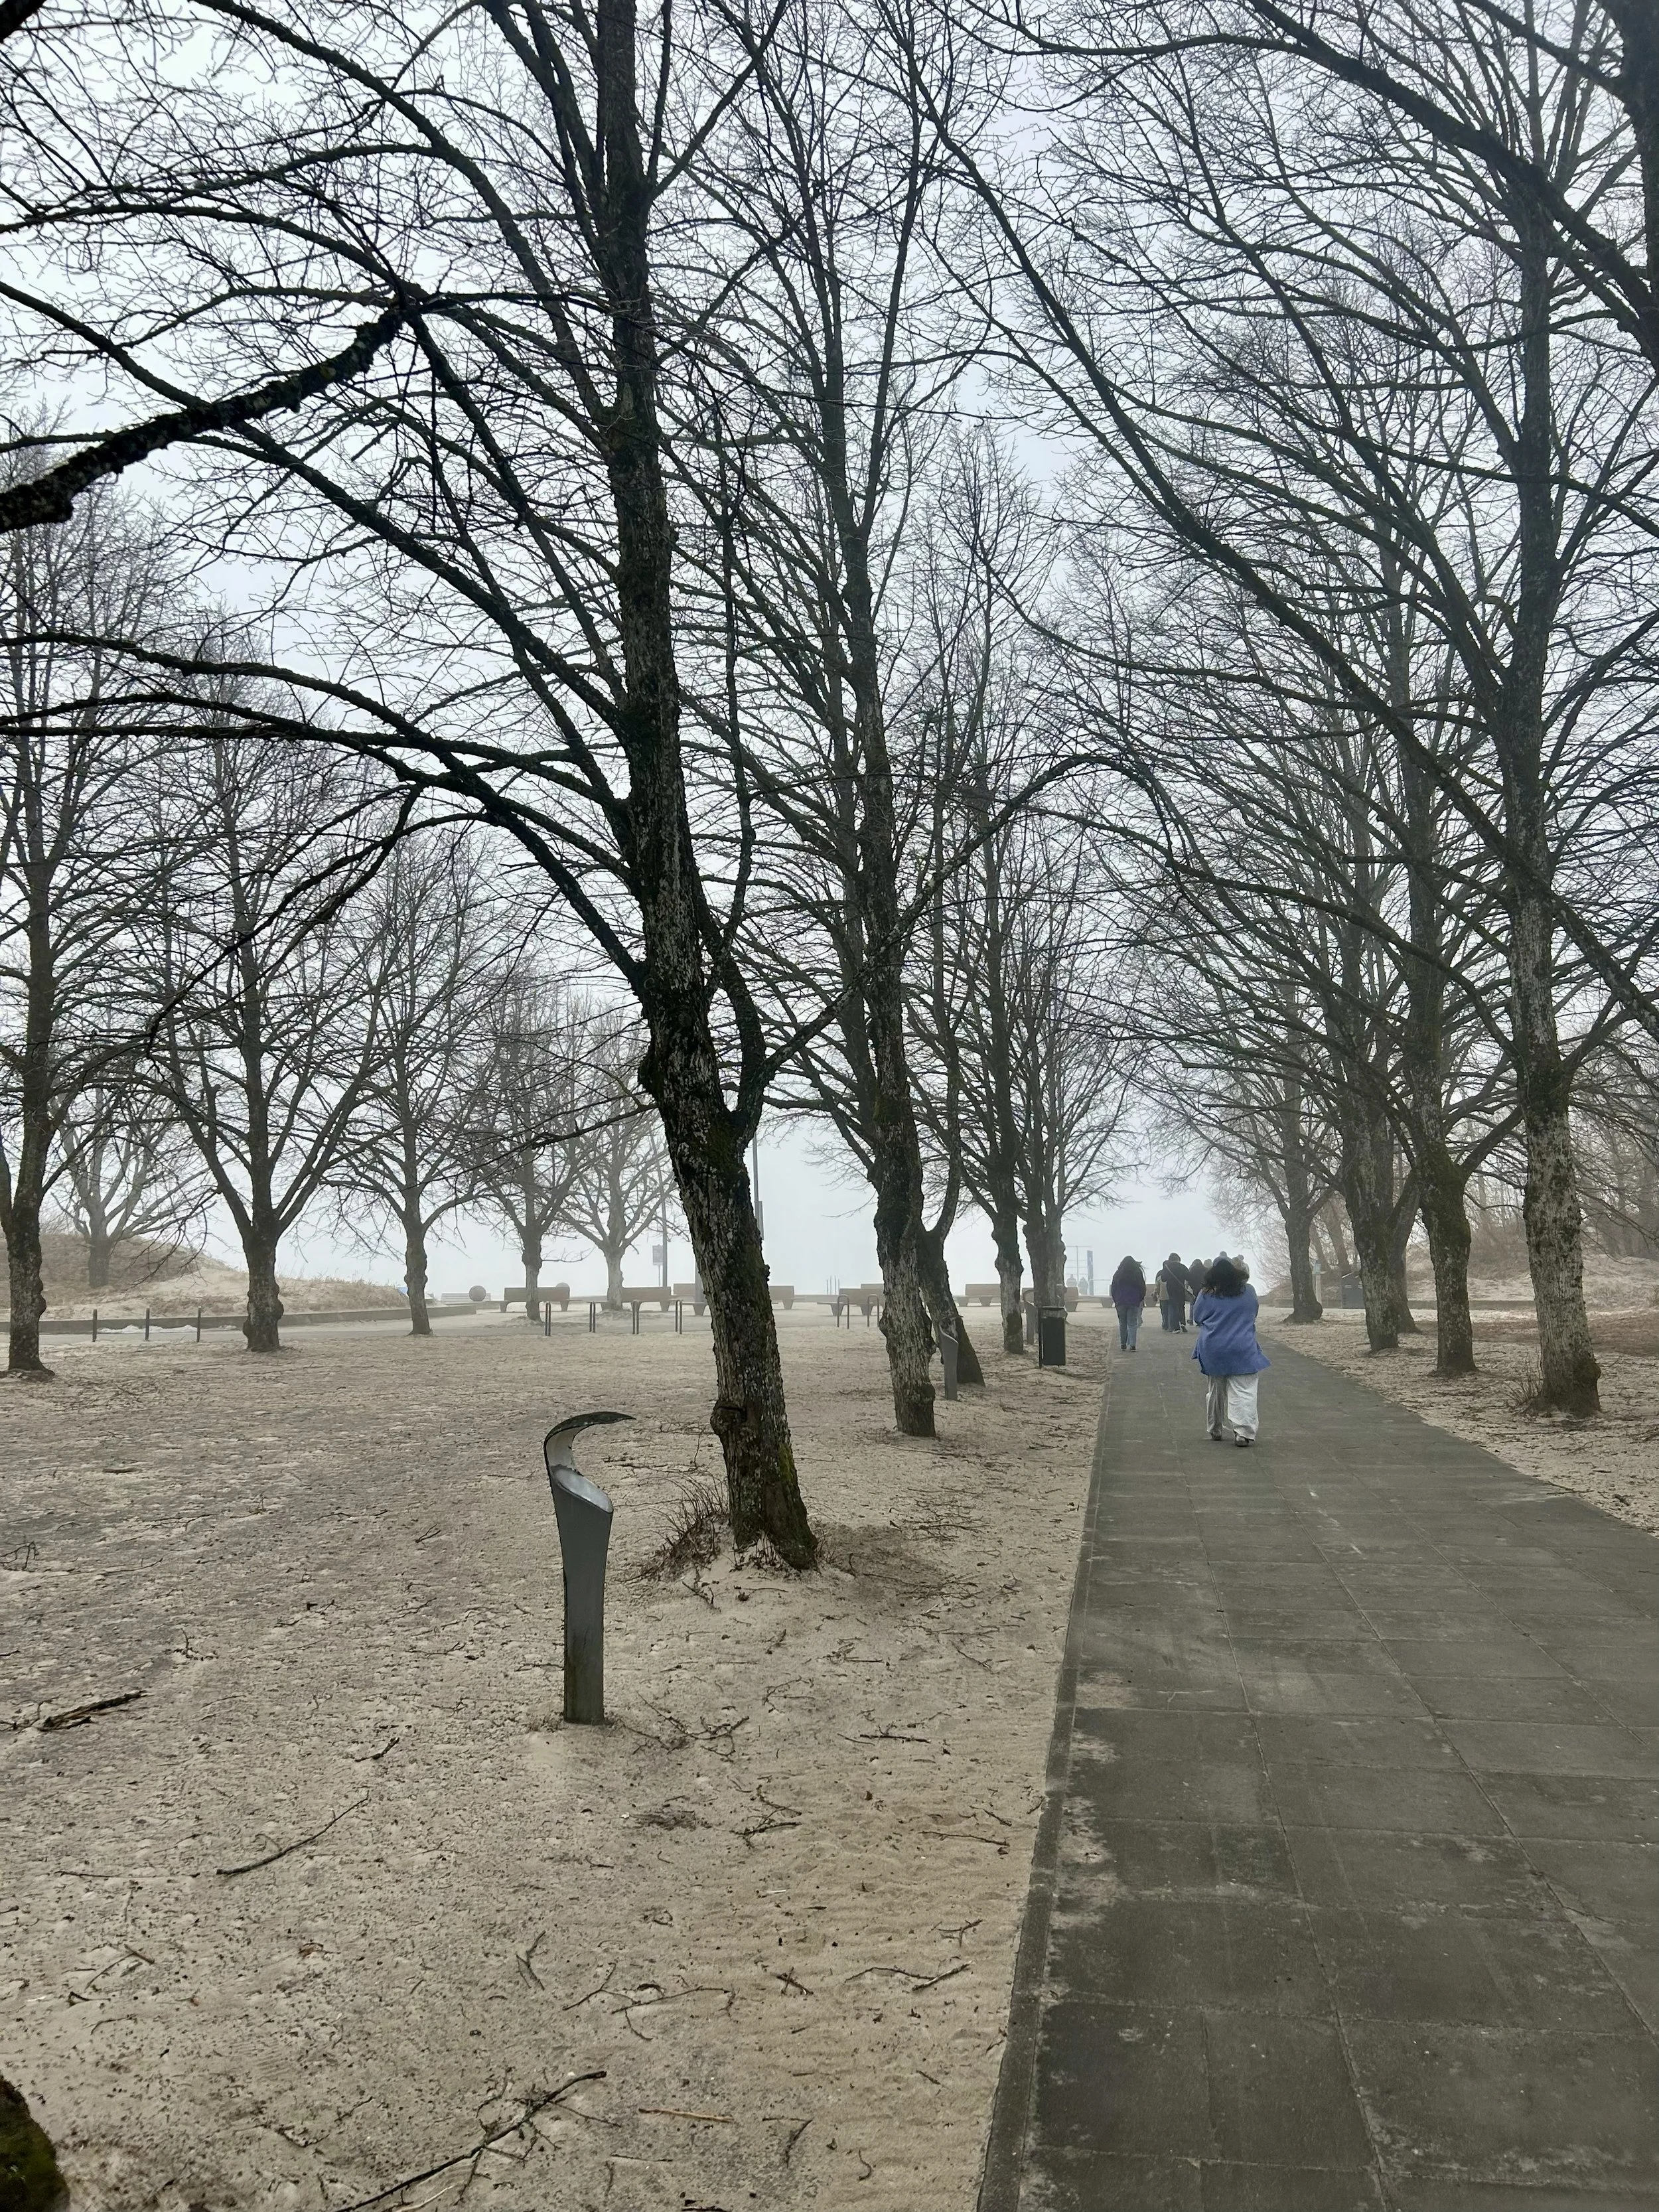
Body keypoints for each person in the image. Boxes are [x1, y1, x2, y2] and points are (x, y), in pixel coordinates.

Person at [1192, 1254, 1270, 1445]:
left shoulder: (1206, 1293)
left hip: (1213, 1347)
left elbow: (1198, 1317)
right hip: (1242, 1347)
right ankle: (1243, 1432)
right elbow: (1253, 1313)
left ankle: (1215, 1427)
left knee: (1216, 1389)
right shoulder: (1249, 1291)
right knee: (1244, 1390)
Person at [1110, 1255, 1146, 1351]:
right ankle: (1133, 1345)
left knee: (1122, 1323)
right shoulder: (1137, 1273)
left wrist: (1116, 1300)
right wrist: (1140, 1299)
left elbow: (1113, 1289)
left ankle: (1123, 1344)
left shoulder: (1118, 1274)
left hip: (1120, 1302)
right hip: (1134, 1301)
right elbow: (1142, 1287)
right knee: (1133, 1323)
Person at [1165, 1252, 1189, 1333]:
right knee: (1181, 1306)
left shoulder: (1168, 1267)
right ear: (1178, 1259)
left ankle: (1176, 1328)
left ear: (1170, 1259)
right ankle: (1183, 1323)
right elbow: (1188, 1276)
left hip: (1171, 1290)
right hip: (1180, 1289)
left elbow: (1163, 1279)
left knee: (1174, 1307)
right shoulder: (1183, 1267)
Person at [1152, 1266, 1169, 1331]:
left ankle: (1165, 1324)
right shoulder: (1171, 1275)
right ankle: (1170, 1324)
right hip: (1171, 1297)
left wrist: (1155, 1294)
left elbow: (1157, 1287)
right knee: (1170, 1311)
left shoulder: (1160, 1275)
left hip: (1163, 1297)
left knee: (1164, 1312)